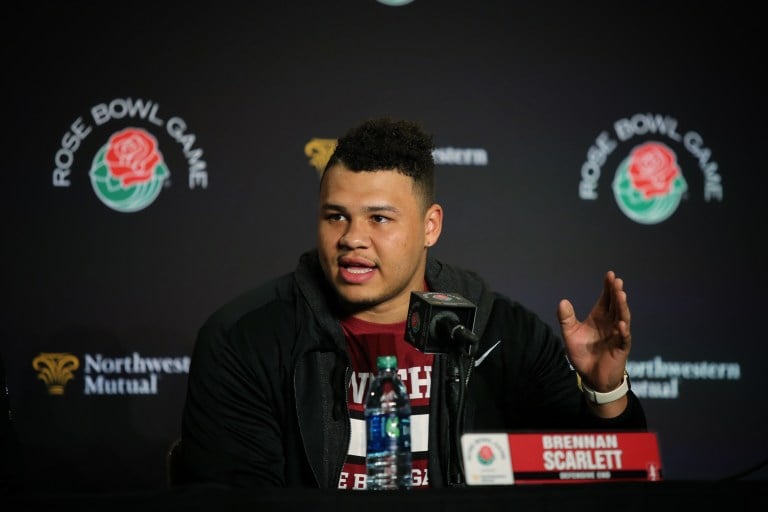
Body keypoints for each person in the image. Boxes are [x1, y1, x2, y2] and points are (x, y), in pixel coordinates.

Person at [179, 117, 646, 490]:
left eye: (379, 218)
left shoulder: (501, 335)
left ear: (430, 226)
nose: (352, 239)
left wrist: (606, 393)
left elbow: (607, 486)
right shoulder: (246, 339)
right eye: (335, 216)